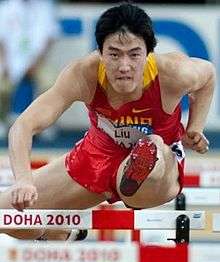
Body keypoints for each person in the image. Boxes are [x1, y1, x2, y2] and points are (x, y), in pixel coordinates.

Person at [0, 3, 215, 240]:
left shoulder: (174, 72)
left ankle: (137, 169)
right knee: (6, 213)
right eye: (114, 54)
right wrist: (23, 180)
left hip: (155, 171)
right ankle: (58, 232)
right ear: (100, 53)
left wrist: (195, 127)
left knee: (151, 148)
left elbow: (208, 75)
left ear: (148, 53)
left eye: (134, 54)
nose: (124, 66)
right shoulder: (83, 74)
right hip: (96, 157)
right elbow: (23, 126)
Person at [0, 0, 59, 137]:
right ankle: (1, 120)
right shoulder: (6, 7)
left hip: (37, 61)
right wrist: (6, 64)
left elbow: (49, 38)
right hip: (9, 60)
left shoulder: (45, 7)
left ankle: (44, 123)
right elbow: (1, 40)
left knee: (51, 82)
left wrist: (35, 63)